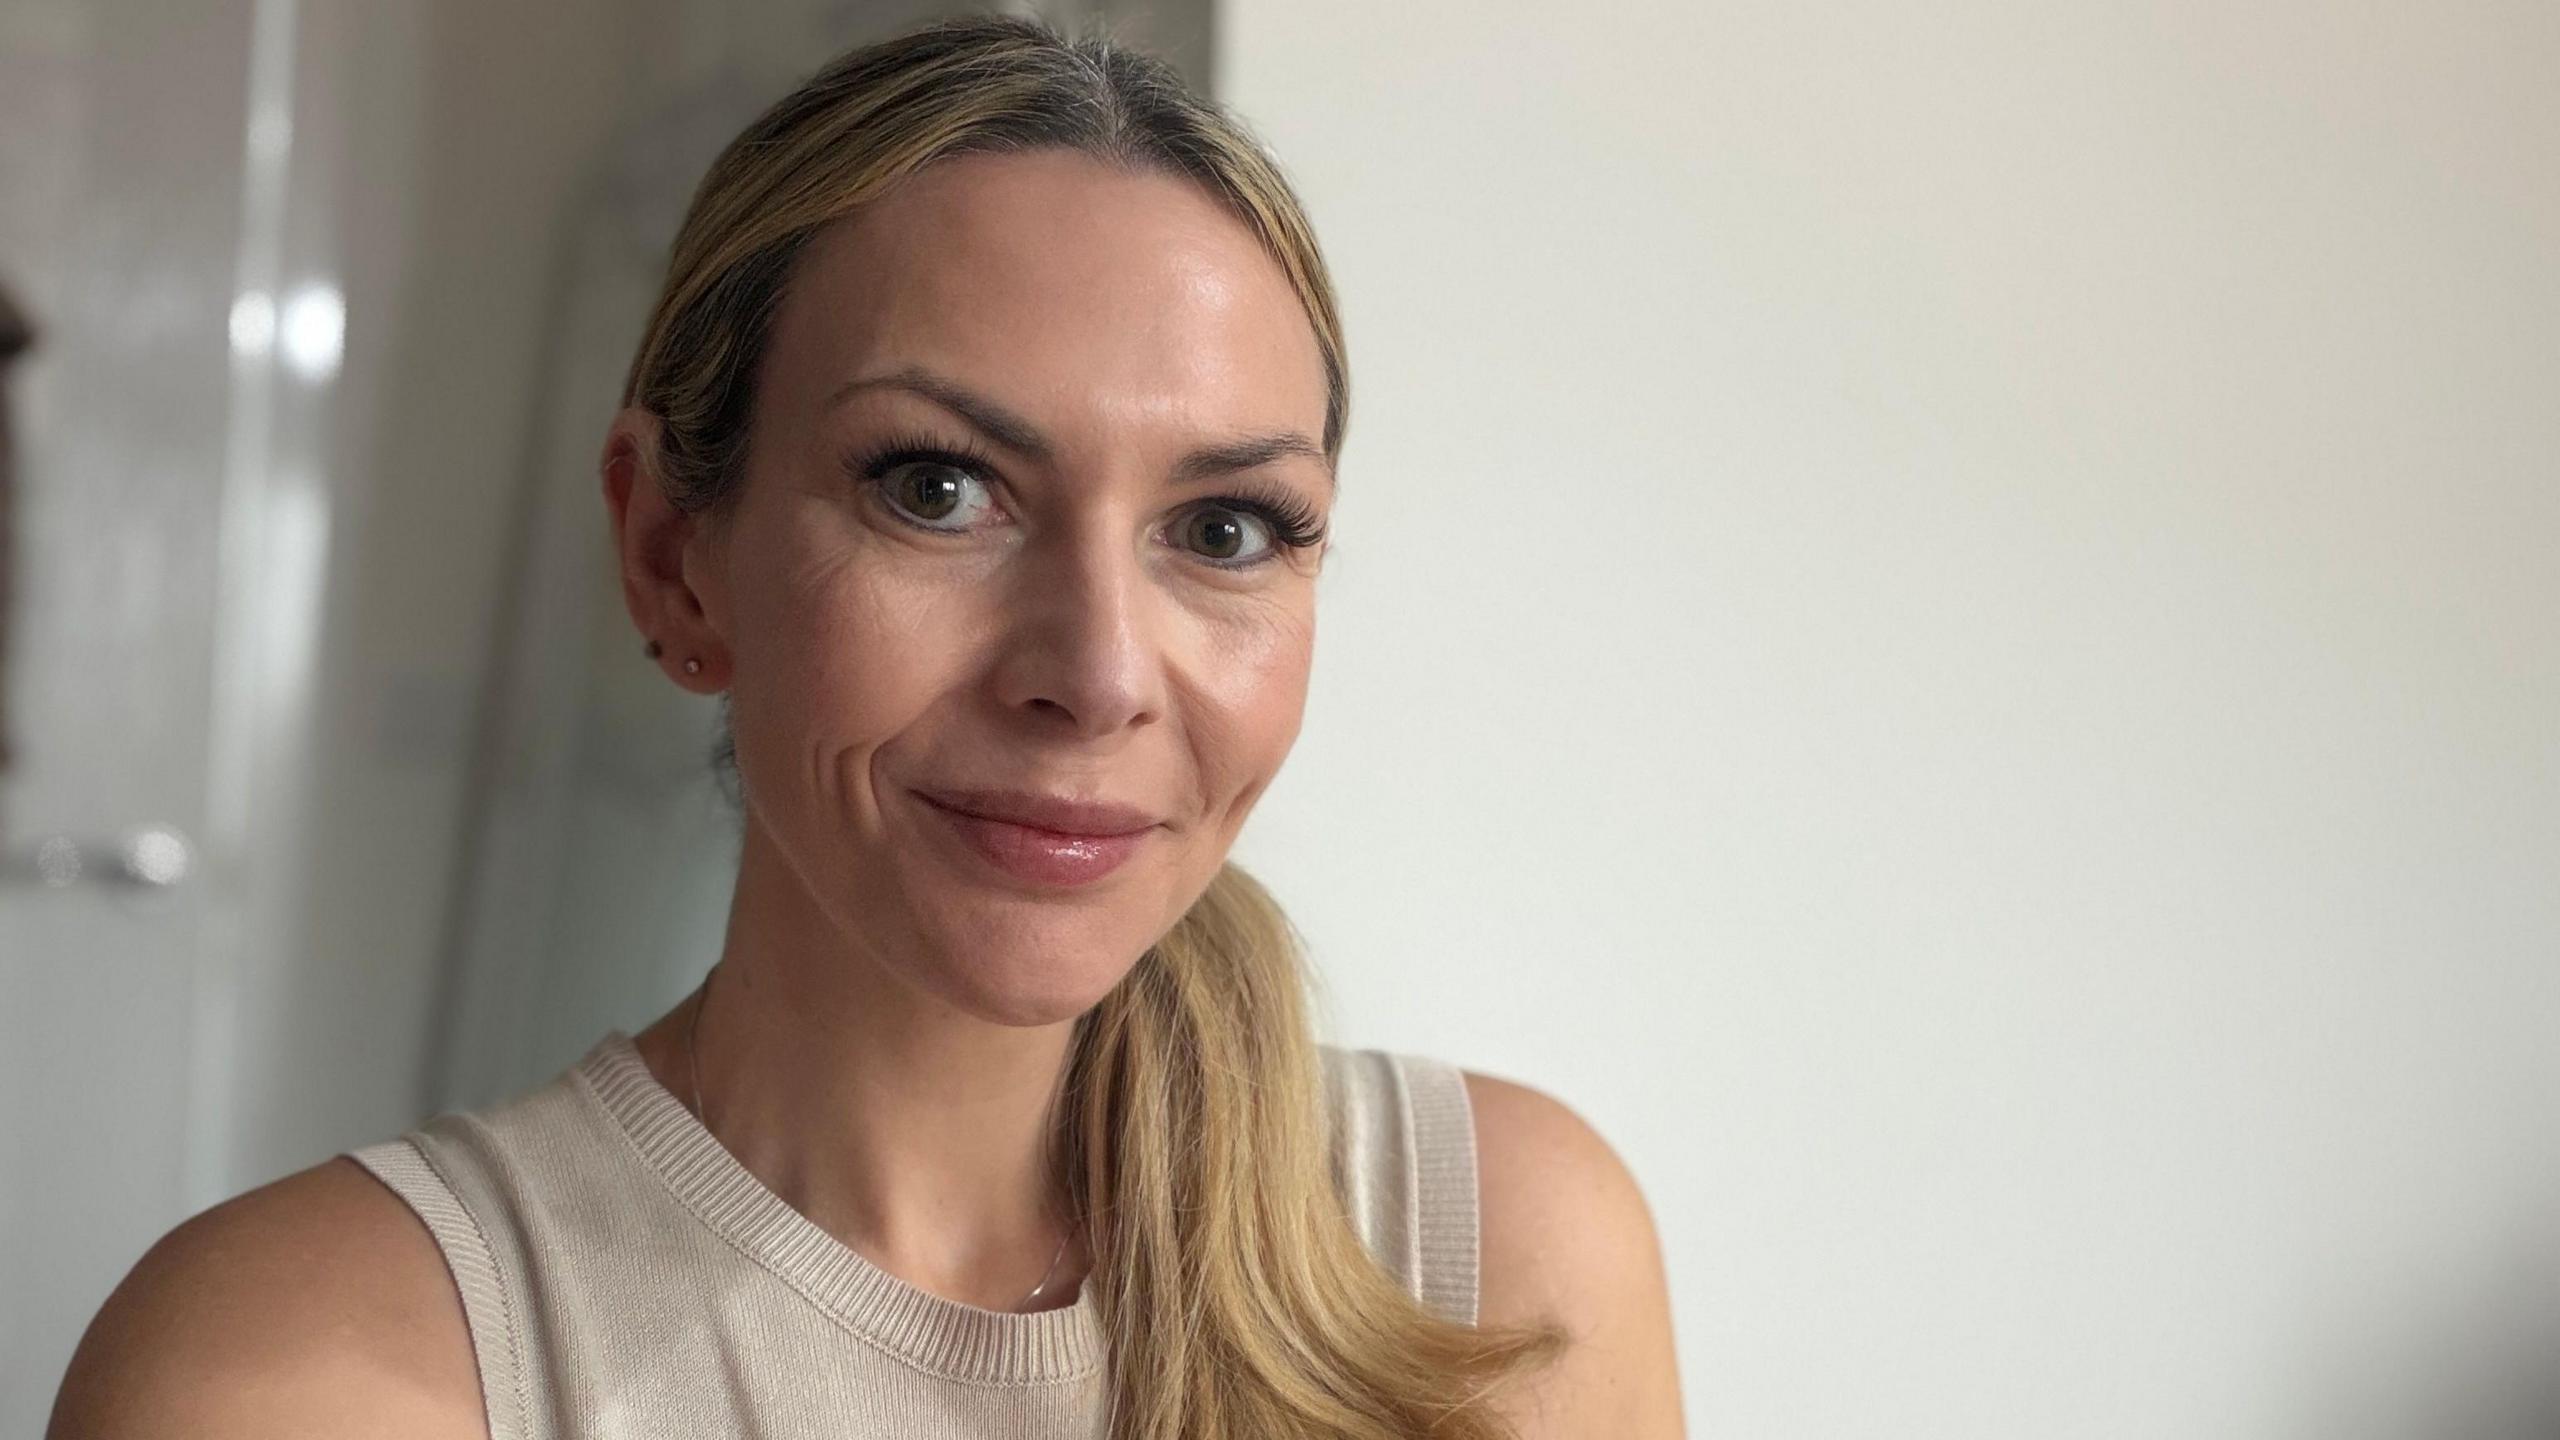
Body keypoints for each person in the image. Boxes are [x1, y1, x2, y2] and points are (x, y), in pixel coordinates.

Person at [47, 16, 1682, 1439]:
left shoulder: (1501, 1267)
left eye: (1227, 528)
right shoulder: (305, 1370)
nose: (1098, 673)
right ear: (673, 557)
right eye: (939, 488)